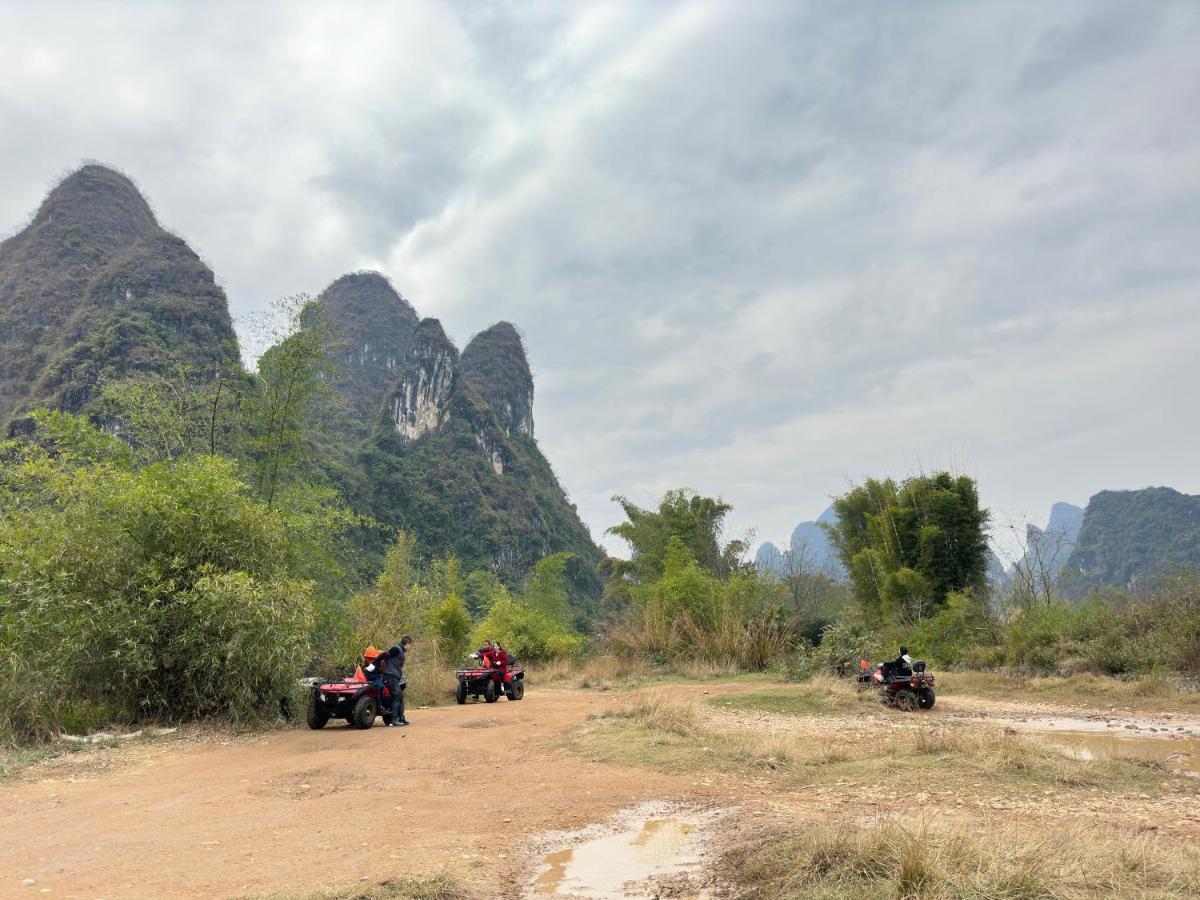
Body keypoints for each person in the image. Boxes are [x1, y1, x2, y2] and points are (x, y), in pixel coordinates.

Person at [383, 636, 413, 727]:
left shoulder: (400, 651)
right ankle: (394, 720)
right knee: (397, 695)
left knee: (400, 696)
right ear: (407, 644)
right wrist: (374, 665)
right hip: (390, 676)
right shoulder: (396, 649)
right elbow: (384, 656)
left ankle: (401, 719)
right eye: (410, 645)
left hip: (394, 677)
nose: (410, 647)